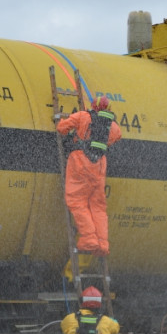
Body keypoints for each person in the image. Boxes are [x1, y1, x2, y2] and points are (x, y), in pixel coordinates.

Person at [55, 96, 123, 256]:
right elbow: (116, 136)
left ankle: (89, 239)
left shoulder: (83, 116)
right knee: (98, 207)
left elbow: (62, 128)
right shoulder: (112, 126)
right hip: (99, 163)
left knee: (77, 200)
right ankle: (103, 244)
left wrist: (65, 126)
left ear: (93, 106)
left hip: (80, 160)